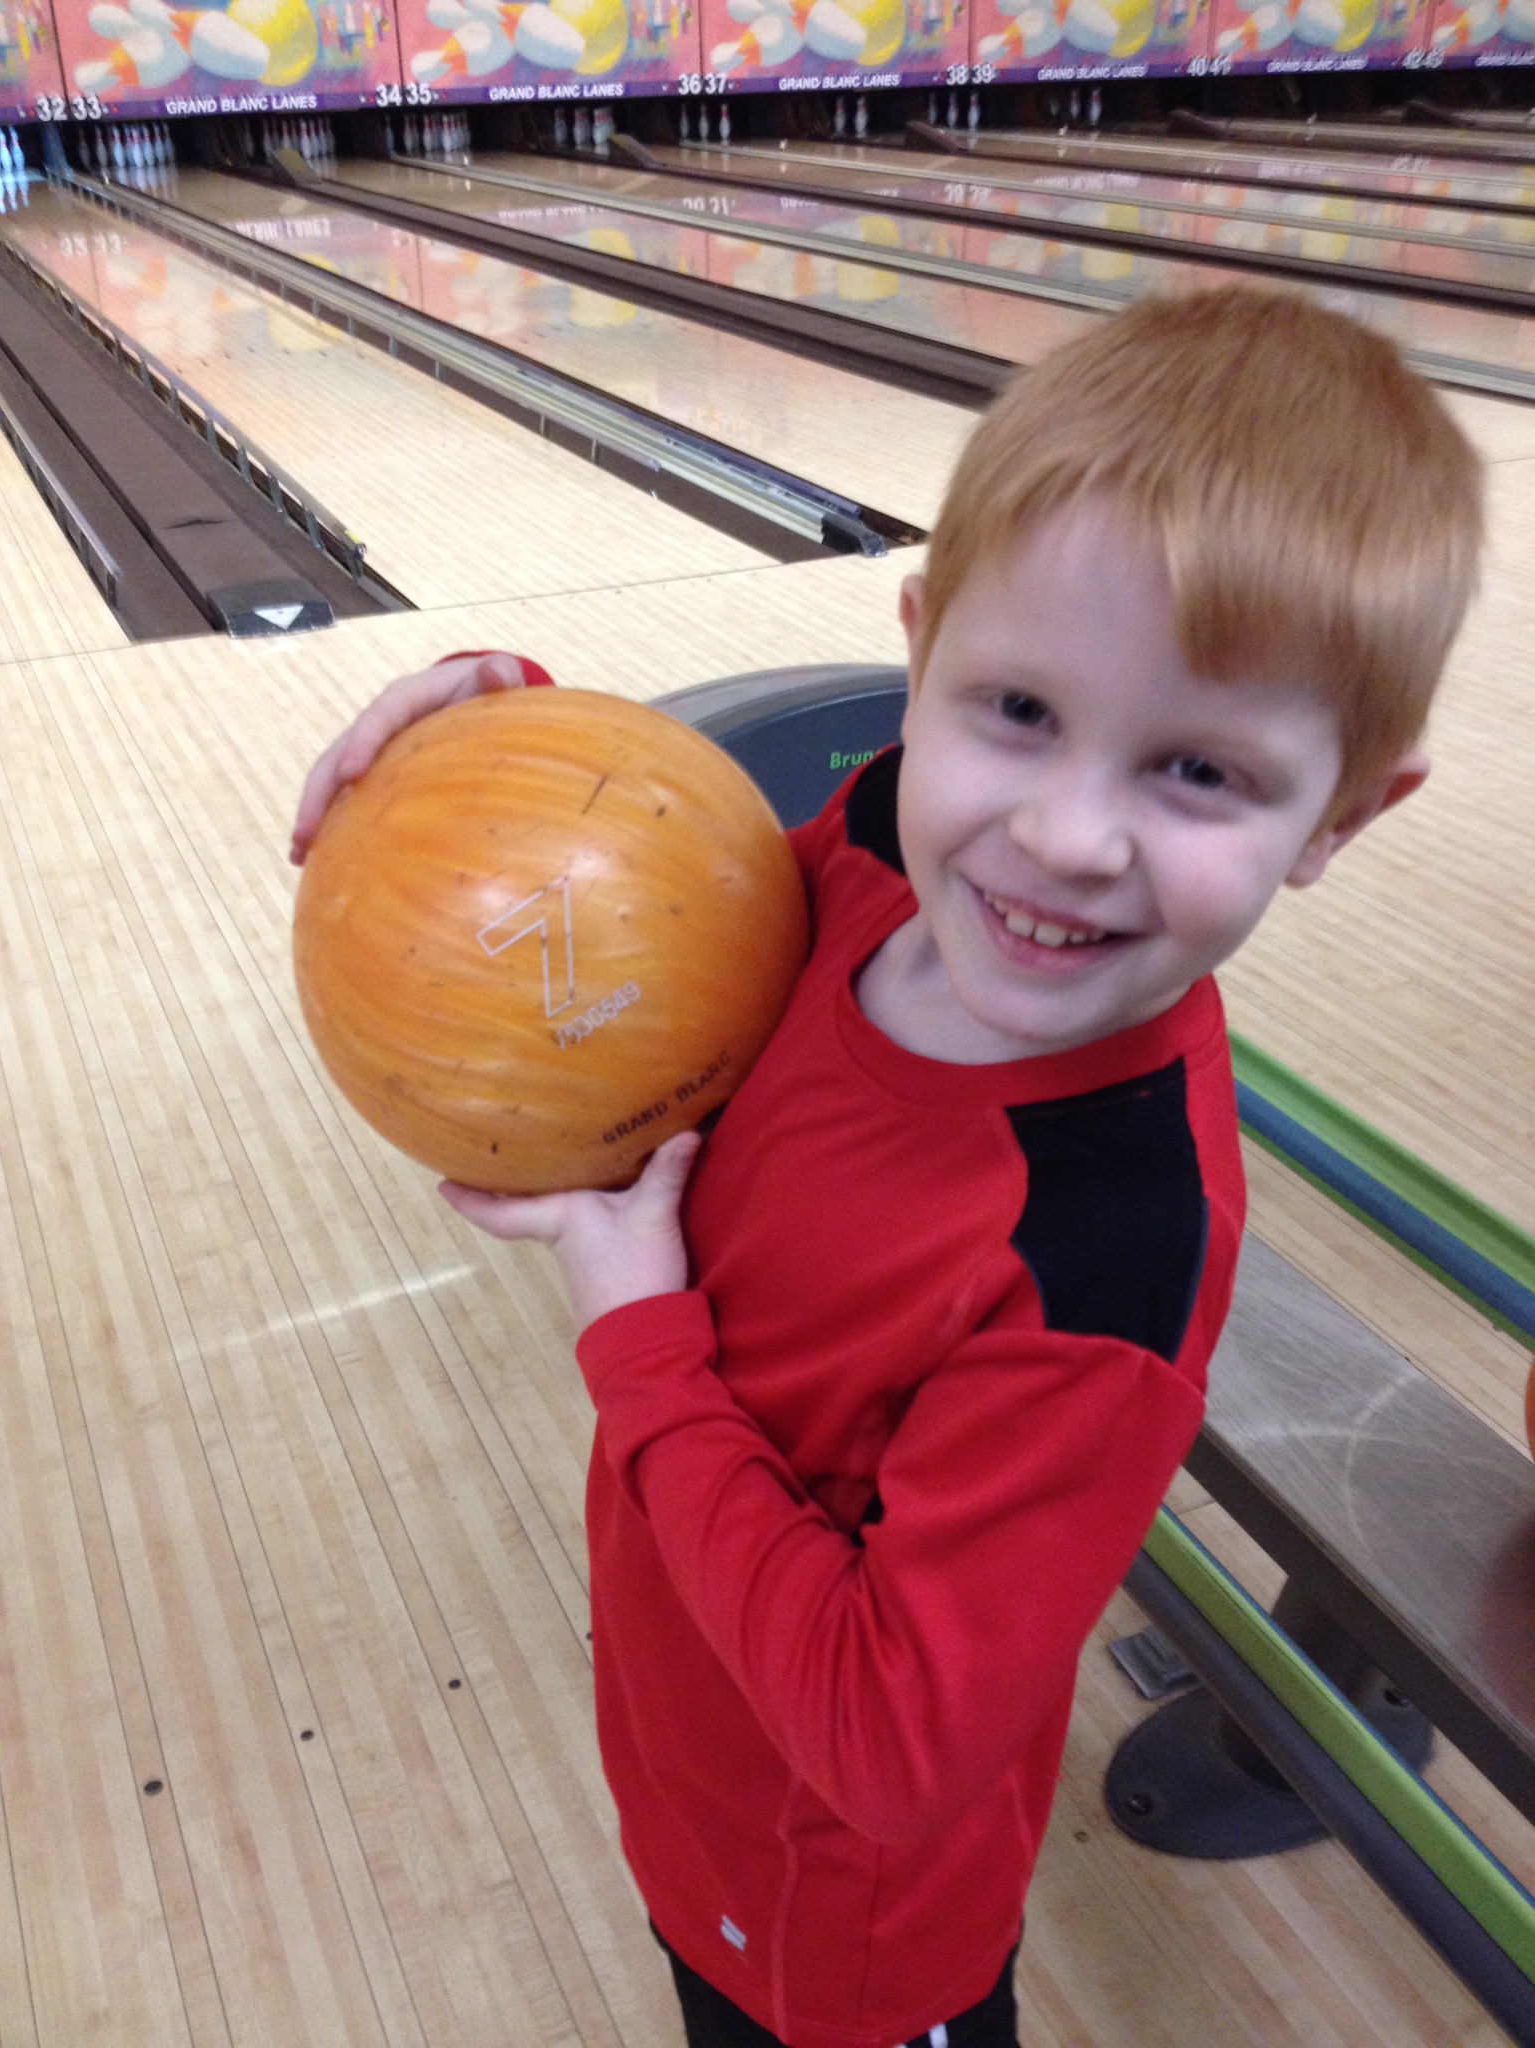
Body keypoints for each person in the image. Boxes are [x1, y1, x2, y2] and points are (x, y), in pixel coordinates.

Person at [291, 287, 1483, 2048]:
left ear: (1341, 819)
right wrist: (492, 757)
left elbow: (890, 1743)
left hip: (836, 1931)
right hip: (703, 1760)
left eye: (1200, 770)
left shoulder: (1106, 1252)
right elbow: (667, 907)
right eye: (1015, 710)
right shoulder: (867, 853)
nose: (1065, 837)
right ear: (916, 661)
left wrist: (638, 1342)